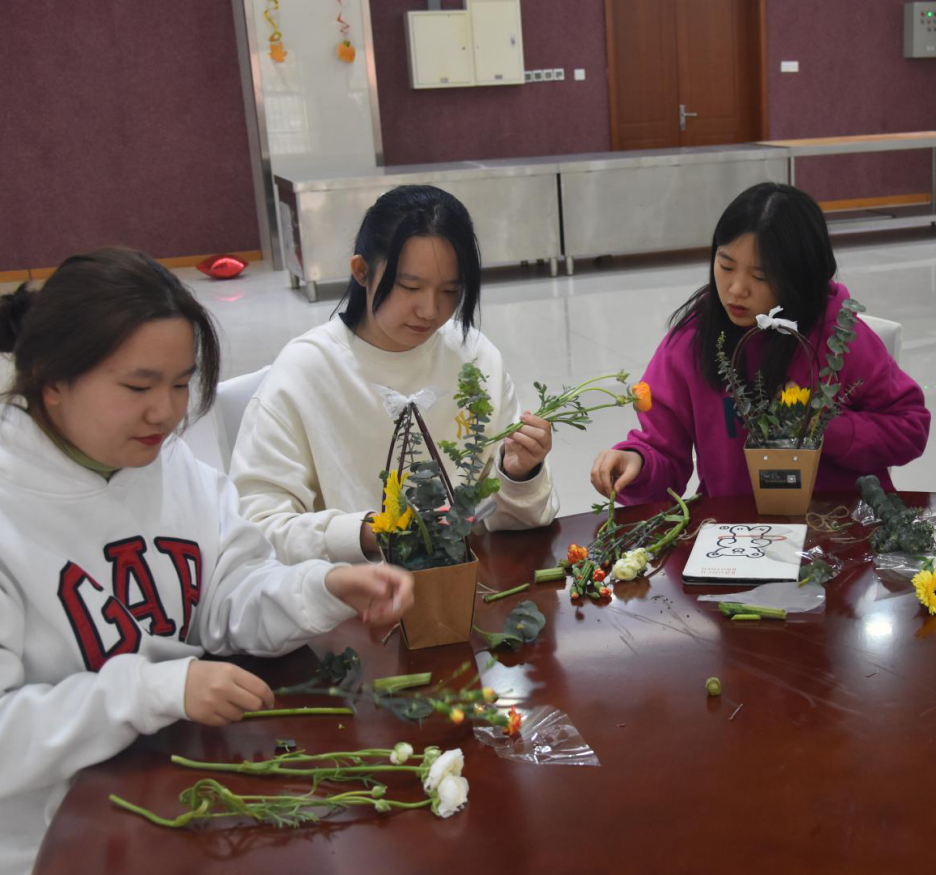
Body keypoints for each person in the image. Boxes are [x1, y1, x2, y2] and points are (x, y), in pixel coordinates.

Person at [0, 249, 413, 875]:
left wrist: (324, 587)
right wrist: (154, 689)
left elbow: (225, 594)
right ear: (51, 380)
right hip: (54, 841)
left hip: (184, 792)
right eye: (138, 386)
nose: (165, 413)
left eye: (179, 383)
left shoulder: (165, 464)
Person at [230, 185, 558, 564]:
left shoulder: (474, 357)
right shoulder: (306, 371)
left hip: (459, 591)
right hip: (345, 601)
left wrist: (519, 475)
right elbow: (256, 528)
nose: (430, 310)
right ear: (361, 272)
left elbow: (513, 522)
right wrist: (368, 532)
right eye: (410, 286)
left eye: (451, 290)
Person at [590, 182, 930, 502]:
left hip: (838, 530)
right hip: (732, 539)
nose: (736, 289)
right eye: (725, 266)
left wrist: (824, 429)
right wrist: (636, 463)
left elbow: (910, 428)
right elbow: (664, 452)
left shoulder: (839, 337)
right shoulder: (693, 341)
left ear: (800, 275)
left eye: (761, 276)